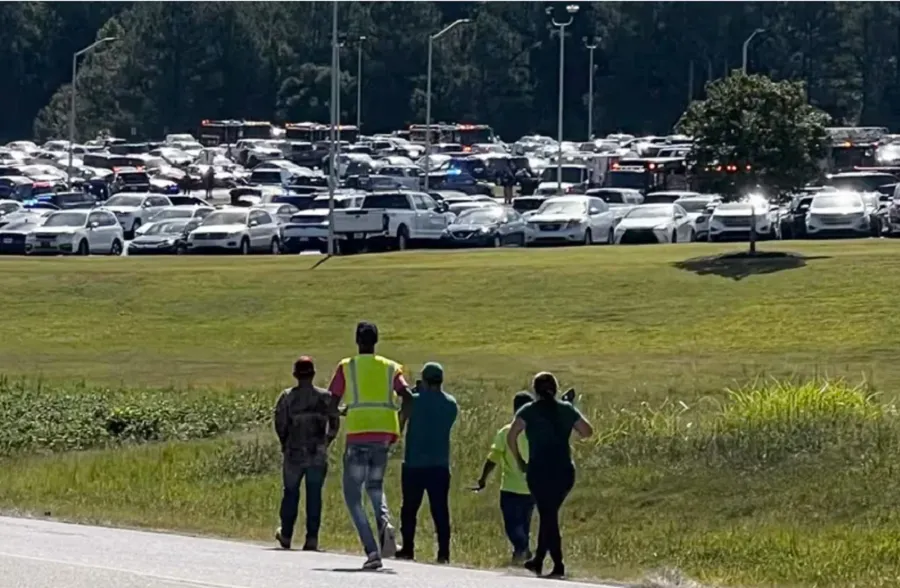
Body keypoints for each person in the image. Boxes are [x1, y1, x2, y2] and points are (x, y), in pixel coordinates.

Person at [328, 321, 412, 570]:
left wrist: (344, 412)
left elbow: (331, 403)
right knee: (375, 486)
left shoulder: (347, 367)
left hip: (358, 434)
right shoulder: (390, 367)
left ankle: (372, 550)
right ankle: (384, 522)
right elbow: (408, 397)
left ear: (357, 340)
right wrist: (400, 423)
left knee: (353, 496)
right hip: (384, 434)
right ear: (376, 341)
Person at [507, 372, 594, 579]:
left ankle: (557, 564)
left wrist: (520, 460)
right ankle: (539, 560)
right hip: (563, 471)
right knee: (549, 514)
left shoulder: (528, 411)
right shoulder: (566, 410)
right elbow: (587, 431)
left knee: (548, 515)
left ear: (535, 390)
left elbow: (512, 436)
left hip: (539, 471)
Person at [273, 356, 340, 551]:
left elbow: (280, 424)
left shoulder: (287, 397)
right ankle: (312, 538)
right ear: (313, 374)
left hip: (293, 454)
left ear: (295, 375)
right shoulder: (325, 397)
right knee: (314, 496)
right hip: (317, 454)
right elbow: (335, 423)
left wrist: (285, 442)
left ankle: (286, 534)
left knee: (290, 493)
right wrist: (326, 442)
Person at [395, 363, 458, 564]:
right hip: (439, 464)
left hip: (414, 463)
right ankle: (444, 553)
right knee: (440, 509)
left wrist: (413, 396)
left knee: (410, 508)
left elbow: (400, 421)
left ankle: (407, 548)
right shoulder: (451, 404)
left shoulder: (414, 401)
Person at [473, 391, 534, 564]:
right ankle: (520, 554)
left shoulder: (506, 432)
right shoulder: (537, 432)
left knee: (512, 525)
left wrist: (483, 478)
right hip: (532, 489)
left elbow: (493, 458)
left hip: (510, 488)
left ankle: (522, 549)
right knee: (524, 523)